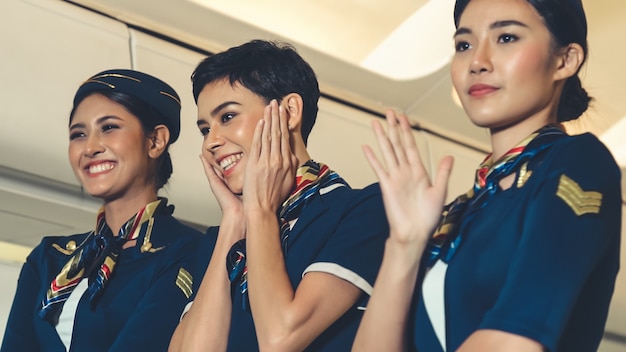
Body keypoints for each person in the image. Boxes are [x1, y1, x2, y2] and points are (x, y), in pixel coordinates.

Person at [353, 0, 621, 351]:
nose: (477, 61)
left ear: (565, 60)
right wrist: (404, 244)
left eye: (506, 37)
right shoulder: (464, 208)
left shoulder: (578, 162)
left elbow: (514, 342)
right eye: (464, 44)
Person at [169, 40, 389, 351]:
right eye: (205, 129)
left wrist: (259, 211)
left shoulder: (364, 209)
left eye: (228, 117)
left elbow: (281, 338)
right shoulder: (222, 241)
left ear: (289, 112)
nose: (210, 143)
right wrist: (234, 220)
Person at [1, 69, 204, 352]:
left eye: (109, 127)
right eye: (78, 134)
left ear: (155, 141)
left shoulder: (187, 251)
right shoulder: (48, 258)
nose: (90, 147)